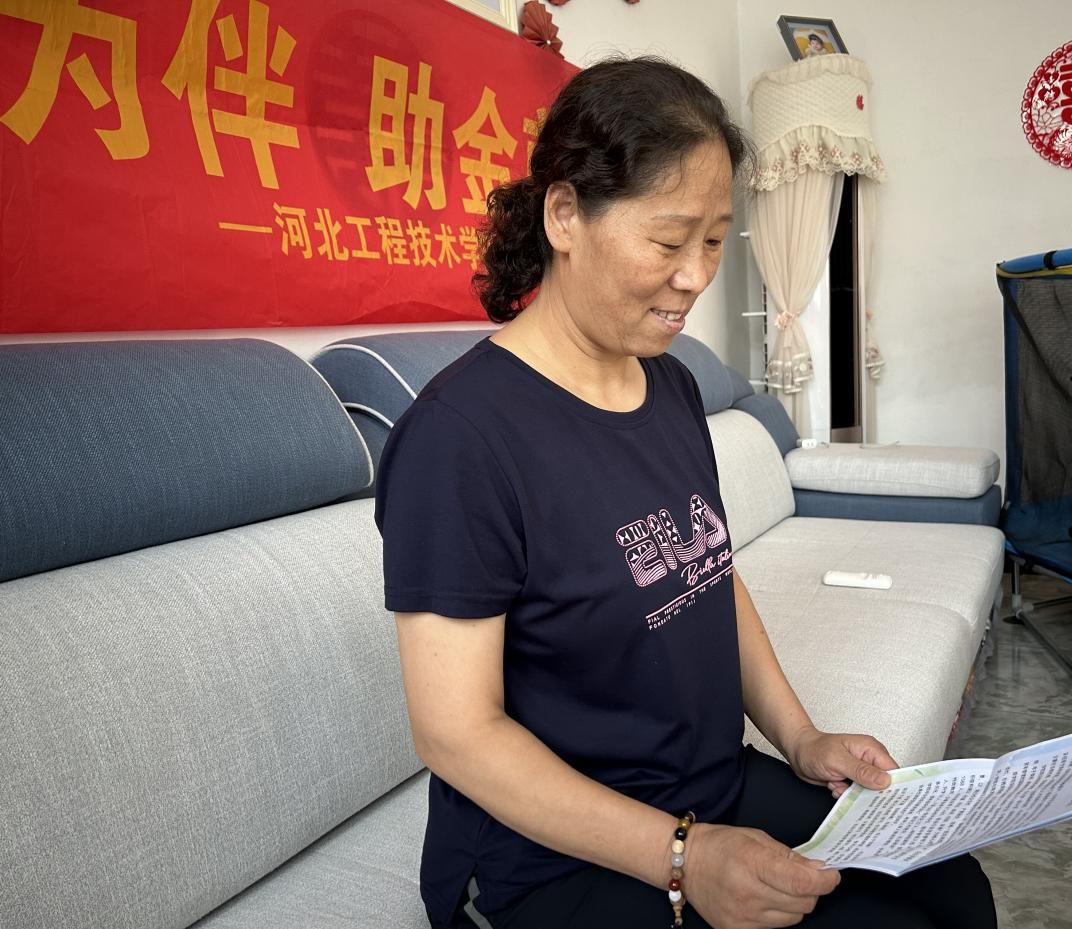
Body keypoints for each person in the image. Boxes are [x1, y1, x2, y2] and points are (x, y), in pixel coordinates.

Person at [375, 57, 997, 929]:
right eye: (670, 242)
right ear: (564, 215)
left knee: (950, 884)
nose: (696, 276)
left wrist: (800, 736)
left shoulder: (665, 384)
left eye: (714, 241)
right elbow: (455, 732)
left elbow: (706, 573)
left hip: (709, 785)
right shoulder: (460, 439)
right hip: (546, 864)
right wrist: (683, 856)